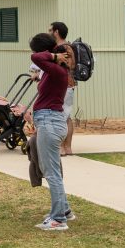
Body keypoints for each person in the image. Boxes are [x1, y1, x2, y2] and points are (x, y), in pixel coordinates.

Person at [27, 32, 73, 231]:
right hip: (50, 121)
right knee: (53, 171)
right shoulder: (54, 70)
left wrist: (53, 55)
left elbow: (36, 57)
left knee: (52, 173)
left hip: (50, 123)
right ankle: (65, 210)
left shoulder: (56, 69)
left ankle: (58, 219)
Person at [49, 21, 77, 156]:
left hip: (61, 85)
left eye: (50, 30)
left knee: (59, 115)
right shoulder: (70, 46)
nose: (49, 32)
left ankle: (60, 147)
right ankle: (68, 147)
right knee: (67, 116)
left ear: (56, 32)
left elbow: (59, 66)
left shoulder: (59, 49)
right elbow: (72, 66)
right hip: (70, 84)